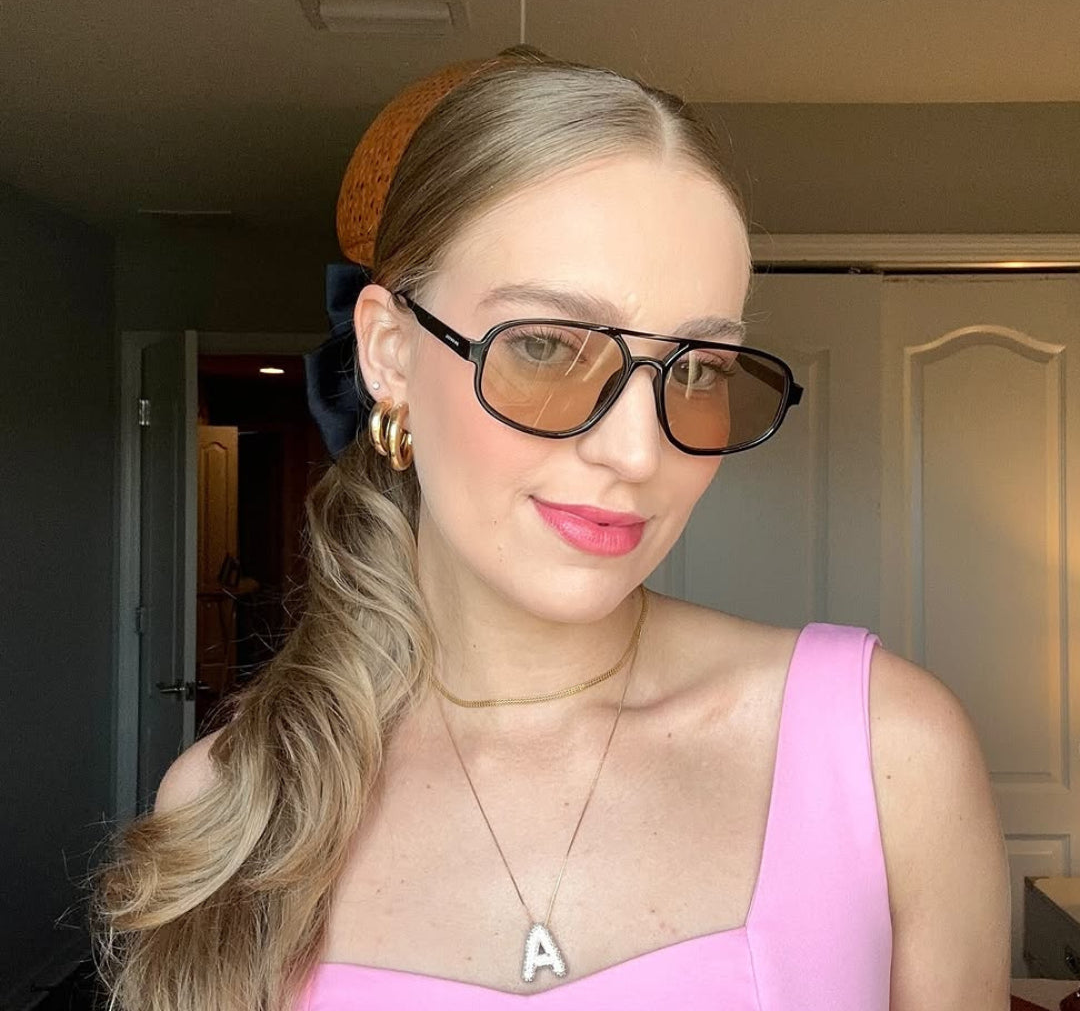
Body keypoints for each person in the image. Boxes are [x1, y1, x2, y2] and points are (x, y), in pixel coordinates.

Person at [90, 51, 1011, 1011]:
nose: (639, 451)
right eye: (545, 346)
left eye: (698, 368)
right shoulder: (228, 809)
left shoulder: (885, 751)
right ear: (390, 354)